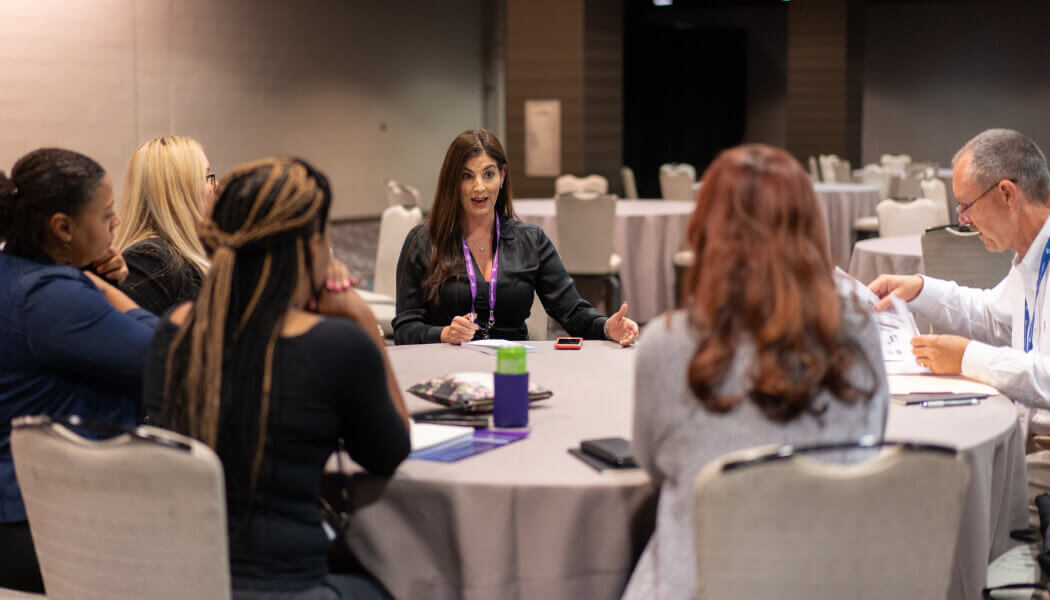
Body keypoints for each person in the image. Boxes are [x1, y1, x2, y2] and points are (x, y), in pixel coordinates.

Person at [623, 144, 888, 600]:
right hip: (829, 579)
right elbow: (873, 437)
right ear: (811, 230)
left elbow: (652, 465)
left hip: (702, 582)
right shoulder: (858, 331)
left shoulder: (666, 344)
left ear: (704, 231)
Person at [143, 157, 411, 599]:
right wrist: (361, 318)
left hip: (185, 582)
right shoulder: (336, 345)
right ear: (309, 247)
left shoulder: (172, 331)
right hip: (293, 588)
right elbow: (393, 451)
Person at [868, 128, 1050, 519]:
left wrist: (967, 358)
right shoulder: (1031, 256)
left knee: (945, 497)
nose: (963, 220)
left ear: (1007, 194)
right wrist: (919, 289)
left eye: (966, 205)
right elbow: (991, 315)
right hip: (1028, 435)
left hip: (1045, 450)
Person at [0, 148, 157, 593]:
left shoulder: (16, 273)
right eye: (106, 214)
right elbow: (168, 355)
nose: (117, 223)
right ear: (63, 227)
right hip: (39, 523)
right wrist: (102, 290)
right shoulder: (52, 297)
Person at [392, 129, 639, 345]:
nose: (479, 187)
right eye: (467, 176)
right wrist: (444, 334)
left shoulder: (532, 240)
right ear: (453, 182)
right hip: (447, 368)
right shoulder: (423, 242)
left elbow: (571, 311)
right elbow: (404, 330)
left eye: (488, 174)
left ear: (502, 176)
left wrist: (607, 327)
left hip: (513, 365)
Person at [115, 136, 214, 315]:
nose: (216, 186)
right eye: (208, 177)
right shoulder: (149, 259)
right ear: (180, 190)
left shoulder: (188, 252)